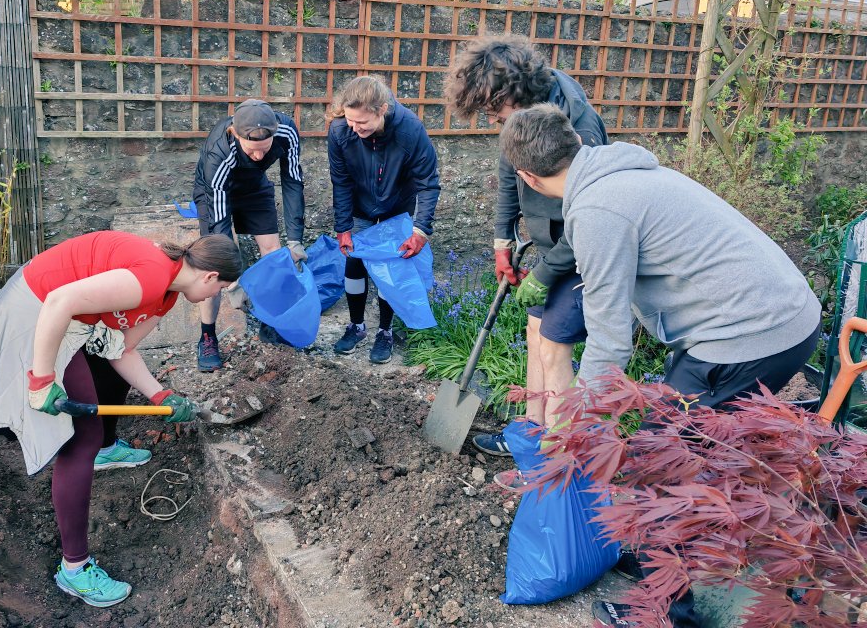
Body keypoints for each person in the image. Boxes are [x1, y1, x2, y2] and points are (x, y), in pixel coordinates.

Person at [499, 104, 822, 628]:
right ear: (575, 142)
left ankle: (668, 614)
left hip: (749, 336)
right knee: (688, 449)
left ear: (527, 176)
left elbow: (609, 341)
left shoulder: (600, 210)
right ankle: (660, 550)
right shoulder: (626, 174)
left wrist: (579, 430)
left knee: (657, 460)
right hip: (784, 318)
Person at [0, 231, 243, 608]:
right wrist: (42, 380)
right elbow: (59, 300)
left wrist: (160, 395)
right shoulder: (152, 275)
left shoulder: (167, 294)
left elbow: (120, 349)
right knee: (80, 438)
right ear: (209, 277)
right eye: (221, 288)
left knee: (107, 373)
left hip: (69, 317)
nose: (214, 297)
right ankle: (74, 570)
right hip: (37, 310)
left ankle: (106, 450)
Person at [444, 36, 608, 454]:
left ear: (513, 94)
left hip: (581, 250)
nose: (494, 120)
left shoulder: (579, 127)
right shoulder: (523, 118)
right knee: (535, 332)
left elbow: (592, 217)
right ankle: (530, 434)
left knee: (554, 346)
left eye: (494, 111)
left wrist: (547, 272)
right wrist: (503, 239)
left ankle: (556, 456)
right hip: (550, 247)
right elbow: (509, 171)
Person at [328, 76, 441, 363]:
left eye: (362, 122)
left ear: (382, 109)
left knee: (392, 265)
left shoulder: (410, 130)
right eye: (351, 121)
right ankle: (356, 326)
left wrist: (420, 230)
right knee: (354, 262)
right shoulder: (341, 130)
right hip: (359, 207)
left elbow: (428, 183)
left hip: (396, 206)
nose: (355, 128)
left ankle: (385, 331)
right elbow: (340, 181)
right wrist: (343, 227)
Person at [192, 98, 306, 370]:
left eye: (264, 150)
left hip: (254, 188)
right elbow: (220, 229)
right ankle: (207, 337)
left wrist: (296, 239)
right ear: (235, 135)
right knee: (213, 266)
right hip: (215, 194)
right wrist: (232, 282)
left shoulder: (287, 131)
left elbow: (292, 181)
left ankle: (271, 324)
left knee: (274, 253)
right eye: (252, 151)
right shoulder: (218, 154)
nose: (259, 157)